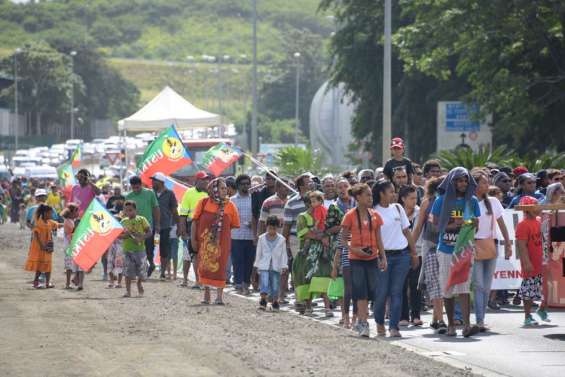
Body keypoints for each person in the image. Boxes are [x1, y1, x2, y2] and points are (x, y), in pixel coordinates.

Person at [431, 167, 481, 337]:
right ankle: (451, 325)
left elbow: (477, 224)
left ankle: (467, 325)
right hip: (445, 249)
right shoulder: (441, 201)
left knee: (464, 287)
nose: (463, 183)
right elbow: (436, 226)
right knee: (448, 287)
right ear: (452, 182)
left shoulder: (472, 201)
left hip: (465, 249)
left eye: (466, 180)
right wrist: (455, 224)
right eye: (459, 180)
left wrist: (470, 222)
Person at [340, 183, 387, 337]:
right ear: (358, 197)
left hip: (372, 258)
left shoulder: (375, 215)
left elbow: (379, 238)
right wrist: (355, 250)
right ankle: (363, 323)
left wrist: (383, 257)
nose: (370, 198)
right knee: (361, 292)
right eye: (367, 195)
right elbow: (343, 240)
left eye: (371, 195)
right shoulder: (349, 215)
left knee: (372, 291)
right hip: (356, 259)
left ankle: (362, 321)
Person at [373, 180, 417, 337]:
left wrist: (413, 253)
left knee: (397, 292)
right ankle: (379, 321)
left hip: (401, 256)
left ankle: (394, 327)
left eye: (394, 191)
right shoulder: (374, 211)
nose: (394, 194)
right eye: (391, 191)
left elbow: (407, 232)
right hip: (382, 257)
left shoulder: (398, 208)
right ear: (381, 194)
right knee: (382, 293)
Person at [472, 171, 512, 331]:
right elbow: (457, 219)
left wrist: (508, 244)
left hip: (491, 245)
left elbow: (502, 223)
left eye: (487, 182)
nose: (487, 185)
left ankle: (481, 319)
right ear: (475, 185)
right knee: (478, 285)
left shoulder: (494, 201)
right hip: (473, 245)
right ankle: (479, 320)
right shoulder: (468, 202)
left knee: (486, 286)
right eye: (483, 182)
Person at [192, 178, 240, 305]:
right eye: (223, 188)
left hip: (222, 244)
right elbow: (195, 221)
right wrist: (193, 240)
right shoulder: (203, 203)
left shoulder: (230, 206)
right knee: (205, 265)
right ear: (214, 190)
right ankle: (206, 294)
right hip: (205, 243)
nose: (226, 191)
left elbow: (233, 225)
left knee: (222, 267)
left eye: (226, 188)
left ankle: (219, 297)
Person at [413, 176, 446, 333]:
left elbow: (461, 222)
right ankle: (440, 320)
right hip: (431, 245)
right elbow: (419, 226)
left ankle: (435, 317)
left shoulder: (456, 204)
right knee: (434, 282)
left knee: (444, 283)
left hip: (449, 247)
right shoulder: (428, 202)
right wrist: (411, 248)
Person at [516, 196, 550, 326]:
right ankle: (527, 316)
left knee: (545, 289)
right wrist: (526, 262)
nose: (538, 207)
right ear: (527, 209)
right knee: (529, 290)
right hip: (530, 263)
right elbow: (522, 245)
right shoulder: (522, 225)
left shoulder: (539, 221)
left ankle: (541, 310)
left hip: (541, 261)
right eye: (534, 205)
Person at [283, 174, 312, 312]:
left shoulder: (317, 200)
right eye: (308, 182)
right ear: (301, 186)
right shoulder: (292, 202)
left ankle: (309, 300)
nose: (311, 184)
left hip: (314, 239)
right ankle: (300, 299)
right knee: (300, 269)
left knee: (312, 269)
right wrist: (285, 244)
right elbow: (287, 226)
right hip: (296, 240)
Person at [258, 179, 290, 300]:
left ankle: (281, 294)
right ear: (277, 188)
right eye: (283, 187)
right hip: (271, 241)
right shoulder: (268, 202)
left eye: (288, 186)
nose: (287, 189)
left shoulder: (291, 202)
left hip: (287, 240)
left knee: (284, 268)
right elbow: (262, 222)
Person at [179, 171, 210, 288]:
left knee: (202, 255)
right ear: (196, 181)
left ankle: (201, 280)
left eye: (206, 179)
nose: (205, 181)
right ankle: (186, 279)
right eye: (203, 179)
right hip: (191, 225)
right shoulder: (189, 192)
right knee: (188, 255)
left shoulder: (209, 194)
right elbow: (183, 213)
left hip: (206, 227)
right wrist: (182, 229)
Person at [398, 185, 424, 327]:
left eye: (416, 198)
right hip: (400, 252)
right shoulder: (397, 212)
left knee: (415, 284)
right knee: (401, 285)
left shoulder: (420, 212)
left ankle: (416, 315)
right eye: (411, 198)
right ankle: (403, 316)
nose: (415, 201)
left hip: (417, 252)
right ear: (403, 199)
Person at [126, 175, 160, 277]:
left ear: (141, 185)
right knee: (137, 249)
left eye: (137, 187)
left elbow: (156, 209)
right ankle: (141, 269)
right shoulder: (129, 196)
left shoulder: (149, 193)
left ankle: (151, 264)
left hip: (147, 226)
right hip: (134, 227)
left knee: (149, 248)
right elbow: (125, 211)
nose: (135, 189)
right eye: (133, 187)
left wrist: (157, 224)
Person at [254, 216, 288, 311]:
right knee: (264, 283)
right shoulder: (262, 238)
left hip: (276, 266)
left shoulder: (282, 240)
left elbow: (283, 254)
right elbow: (259, 252)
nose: (272, 230)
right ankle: (263, 301)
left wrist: (284, 265)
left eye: (274, 228)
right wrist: (257, 265)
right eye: (270, 228)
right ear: (266, 227)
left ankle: (275, 302)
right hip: (264, 265)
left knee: (275, 284)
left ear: (277, 228)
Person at [230, 174, 256, 295]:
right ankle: (238, 284)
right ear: (238, 185)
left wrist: (253, 223)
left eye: (247, 183)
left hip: (251, 236)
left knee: (249, 261)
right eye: (243, 184)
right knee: (238, 261)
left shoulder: (254, 198)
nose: (246, 186)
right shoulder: (232, 200)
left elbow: (257, 215)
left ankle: (246, 283)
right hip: (237, 235)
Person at [120, 200, 152, 298]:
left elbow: (149, 232)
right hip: (127, 250)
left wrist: (141, 238)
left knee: (141, 271)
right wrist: (126, 235)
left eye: (131, 210)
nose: (129, 212)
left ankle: (139, 283)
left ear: (135, 210)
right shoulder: (123, 222)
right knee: (127, 271)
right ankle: (128, 291)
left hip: (140, 250)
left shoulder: (142, 219)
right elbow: (119, 236)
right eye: (127, 211)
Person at [151, 173, 179, 281]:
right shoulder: (150, 193)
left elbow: (174, 210)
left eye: (155, 180)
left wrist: (179, 225)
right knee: (149, 247)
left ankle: (162, 273)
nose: (152, 182)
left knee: (164, 250)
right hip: (150, 226)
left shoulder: (170, 194)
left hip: (166, 226)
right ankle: (151, 265)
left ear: (161, 182)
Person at [24, 204, 59, 289]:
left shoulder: (50, 222)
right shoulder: (39, 222)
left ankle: (47, 283)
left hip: (48, 247)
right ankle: (36, 282)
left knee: (48, 265)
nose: (51, 215)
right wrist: (41, 245)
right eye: (50, 213)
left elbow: (58, 225)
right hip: (41, 248)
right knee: (40, 266)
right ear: (45, 213)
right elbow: (36, 234)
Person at [61, 203, 79, 289]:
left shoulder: (71, 221)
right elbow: (70, 235)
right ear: (72, 212)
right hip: (69, 246)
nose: (78, 213)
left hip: (70, 245)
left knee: (72, 265)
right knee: (69, 265)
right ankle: (68, 283)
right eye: (76, 211)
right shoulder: (68, 221)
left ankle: (73, 280)